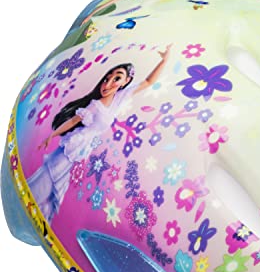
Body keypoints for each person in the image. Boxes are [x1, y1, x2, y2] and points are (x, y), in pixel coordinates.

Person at [28, 44, 173, 223]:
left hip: (82, 149)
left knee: (60, 180)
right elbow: (73, 121)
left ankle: (42, 212)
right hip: (76, 144)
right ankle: (34, 199)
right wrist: (52, 135)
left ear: (125, 81)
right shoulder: (95, 105)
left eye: (116, 79)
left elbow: (148, 82)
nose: (108, 84)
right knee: (52, 174)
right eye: (107, 78)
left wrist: (164, 61)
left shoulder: (120, 98)